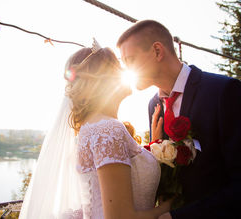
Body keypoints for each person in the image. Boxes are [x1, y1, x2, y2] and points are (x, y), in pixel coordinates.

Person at [117, 20, 241, 219]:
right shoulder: (153, 106)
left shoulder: (223, 92)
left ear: (157, 51)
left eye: (130, 60)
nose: (126, 69)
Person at [19, 40, 170, 219]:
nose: (124, 71)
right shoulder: (107, 130)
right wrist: (170, 206)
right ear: (105, 79)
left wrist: (154, 147)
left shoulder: (95, 128)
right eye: (118, 66)